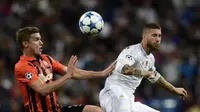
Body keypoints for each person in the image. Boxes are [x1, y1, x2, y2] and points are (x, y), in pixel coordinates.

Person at [14, 27, 115, 112]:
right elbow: (42, 90)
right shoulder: (22, 66)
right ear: (25, 44)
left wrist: (101, 74)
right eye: (36, 40)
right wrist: (67, 76)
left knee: (95, 111)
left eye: (40, 39)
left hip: (57, 110)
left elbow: (73, 72)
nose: (41, 43)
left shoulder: (46, 59)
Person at [99, 23, 188, 112]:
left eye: (159, 36)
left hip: (129, 98)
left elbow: (156, 78)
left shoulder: (150, 58)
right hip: (112, 92)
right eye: (154, 35)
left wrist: (174, 89)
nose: (158, 39)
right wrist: (144, 73)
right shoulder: (132, 51)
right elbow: (124, 68)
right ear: (144, 37)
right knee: (123, 108)